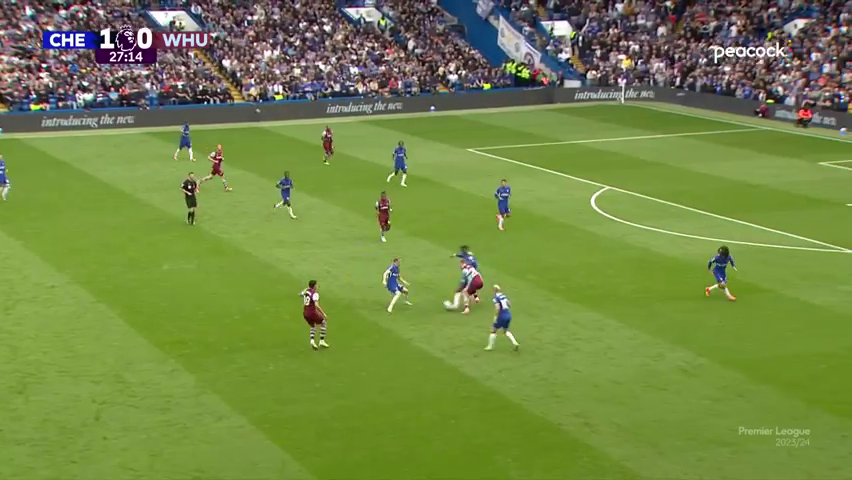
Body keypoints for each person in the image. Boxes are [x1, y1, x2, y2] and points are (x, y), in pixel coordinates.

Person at [485, 285, 520, 351]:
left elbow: (497, 308)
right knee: (506, 330)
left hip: (501, 315)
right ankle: (515, 342)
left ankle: (490, 346)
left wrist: (496, 316)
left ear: (494, 291)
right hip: (508, 314)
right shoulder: (504, 296)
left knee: (493, 330)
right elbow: (509, 304)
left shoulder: (496, 298)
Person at [301, 280, 330, 350]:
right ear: (314, 286)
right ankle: (322, 341)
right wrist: (323, 313)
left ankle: (312, 341)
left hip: (305, 313)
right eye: (316, 285)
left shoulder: (306, 291)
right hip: (312, 312)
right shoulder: (315, 294)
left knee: (312, 325)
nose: (317, 286)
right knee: (323, 322)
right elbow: (316, 305)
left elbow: (301, 294)